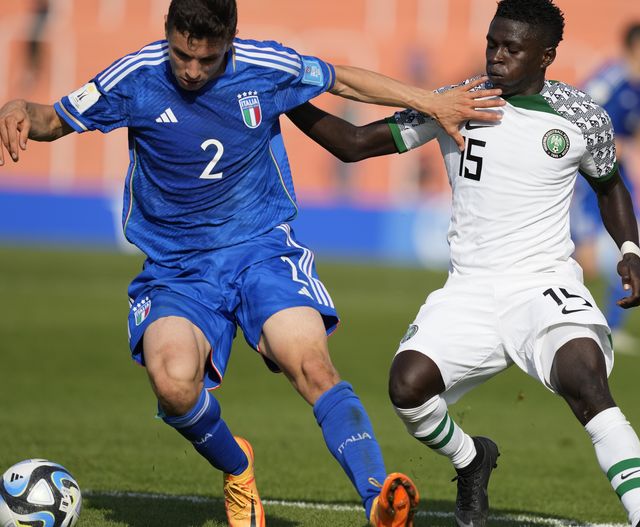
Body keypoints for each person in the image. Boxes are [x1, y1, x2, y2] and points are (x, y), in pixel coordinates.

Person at [0, 1, 504, 526]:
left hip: (260, 250)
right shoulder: (136, 76)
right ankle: (238, 469)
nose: (191, 71)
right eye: (181, 55)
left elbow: (344, 81)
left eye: (206, 58)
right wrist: (18, 106)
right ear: (167, 34)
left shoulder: (265, 67)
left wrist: (429, 100)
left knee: (308, 360)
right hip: (178, 269)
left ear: (230, 41)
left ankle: (378, 496)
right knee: (173, 385)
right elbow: (54, 119)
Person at [285, 1, 640, 526]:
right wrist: (284, 98)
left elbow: (610, 186)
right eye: (491, 43)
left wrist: (629, 251)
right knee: (406, 388)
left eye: (511, 48)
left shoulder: (583, 117)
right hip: (470, 289)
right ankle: (472, 460)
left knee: (584, 377)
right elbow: (355, 144)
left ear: (546, 55)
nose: (496, 57)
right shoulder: (456, 102)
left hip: (543, 285)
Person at [570, 22, 640, 353]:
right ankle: (563, 321)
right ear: (637, 47)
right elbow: (576, 114)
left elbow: (633, 127)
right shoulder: (609, 79)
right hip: (587, 175)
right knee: (587, 264)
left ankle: (611, 327)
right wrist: (611, 145)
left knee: (635, 246)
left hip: (619, 175)